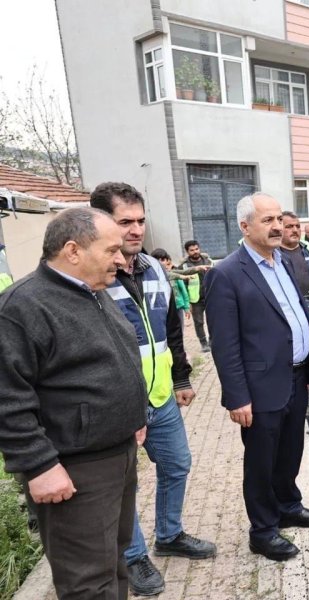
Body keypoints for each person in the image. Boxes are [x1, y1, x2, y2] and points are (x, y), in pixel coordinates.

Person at [0, 207, 147, 600]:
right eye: (111, 250)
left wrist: (132, 414)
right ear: (73, 250)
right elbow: (7, 396)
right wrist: (39, 465)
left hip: (117, 454)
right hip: (73, 469)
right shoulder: (22, 307)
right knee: (87, 580)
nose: (121, 259)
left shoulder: (94, 292)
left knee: (114, 562)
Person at [90, 183, 216, 597]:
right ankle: (133, 556)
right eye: (125, 221)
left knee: (177, 464)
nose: (136, 229)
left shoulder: (155, 269)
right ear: (101, 222)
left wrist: (181, 378)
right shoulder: (91, 277)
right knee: (125, 484)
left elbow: (171, 330)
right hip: (116, 404)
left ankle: (169, 534)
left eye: (141, 220)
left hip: (160, 397)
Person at [205, 192, 309, 562]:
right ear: (245, 227)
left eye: (279, 219)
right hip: (260, 388)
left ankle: (288, 506)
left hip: (295, 378)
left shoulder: (284, 261)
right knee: (261, 461)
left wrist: (307, 367)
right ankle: (262, 531)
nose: (278, 226)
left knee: (291, 450)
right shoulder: (226, 274)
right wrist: (237, 396)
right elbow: (224, 344)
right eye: (267, 220)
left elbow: (294, 315)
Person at [178, 240, 213, 352]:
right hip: (195, 300)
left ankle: (212, 341)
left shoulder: (208, 261)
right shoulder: (184, 266)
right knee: (199, 322)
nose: (195, 252)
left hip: (210, 296)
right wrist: (187, 302)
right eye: (192, 250)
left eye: (197, 249)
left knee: (213, 320)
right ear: (187, 252)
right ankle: (204, 343)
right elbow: (182, 285)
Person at [280, 211, 309, 296]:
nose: (295, 230)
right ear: (279, 229)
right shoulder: (274, 255)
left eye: (297, 226)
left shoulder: (308, 249)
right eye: (289, 226)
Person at [151, 249, 192, 329]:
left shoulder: (174, 275)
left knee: (179, 329)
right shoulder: (151, 276)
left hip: (177, 306)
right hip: (161, 308)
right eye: (157, 260)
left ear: (167, 261)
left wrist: (186, 307)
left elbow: (183, 291)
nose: (160, 262)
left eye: (163, 260)